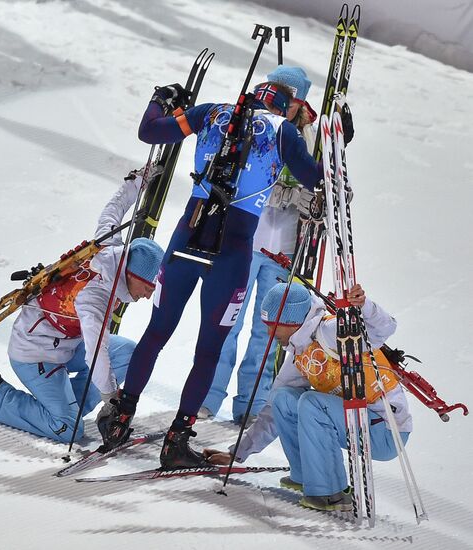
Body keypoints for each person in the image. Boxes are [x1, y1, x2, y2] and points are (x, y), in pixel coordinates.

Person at [101, 77, 324, 469]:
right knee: (209, 348)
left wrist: (161, 100)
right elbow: (317, 179)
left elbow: (150, 131)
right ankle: (176, 441)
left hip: (185, 238)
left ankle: (121, 417)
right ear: (284, 106)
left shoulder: (212, 113)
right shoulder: (283, 131)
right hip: (233, 252)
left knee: (157, 331)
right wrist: (336, 151)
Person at [0, 169, 164, 444]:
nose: (147, 295)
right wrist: (111, 398)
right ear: (132, 275)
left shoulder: (112, 248)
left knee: (128, 352)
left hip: (67, 342)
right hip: (35, 352)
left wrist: (137, 183)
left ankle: (67, 405)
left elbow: (112, 212)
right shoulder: (95, 298)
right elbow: (97, 353)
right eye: (148, 287)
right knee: (68, 429)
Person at [204, 282, 412, 512]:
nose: (269, 334)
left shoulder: (332, 331)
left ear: (293, 323)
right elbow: (272, 412)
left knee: (312, 403)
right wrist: (237, 454)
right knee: (283, 399)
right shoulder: (299, 352)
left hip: (384, 430)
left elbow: (384, 329)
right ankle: (308, 475)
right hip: (353, 422)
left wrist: (365, 306)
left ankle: (330, 491)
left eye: (274, 326)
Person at [200, 65, 321, 424]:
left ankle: (250, 405)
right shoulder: (253, 125)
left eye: (292, 99)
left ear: (300, 102)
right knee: (226, 322)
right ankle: (207, 397)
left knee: (267, 331)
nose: (282, 104)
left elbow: (324, 184)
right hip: (243, 241)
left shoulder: (313, 137)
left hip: (284, 249)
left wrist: (311, 199)